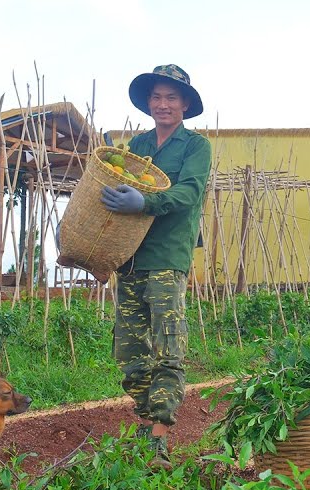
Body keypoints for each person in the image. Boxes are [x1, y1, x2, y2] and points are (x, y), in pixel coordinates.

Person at [99, 64, 213, 468]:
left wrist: (146, 202)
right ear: (149, 103)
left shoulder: (195, 147)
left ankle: (159, 440)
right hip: (130, 257)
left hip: (167, 257)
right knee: (131, 355)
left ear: (184, 104)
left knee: (167, 348)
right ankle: (150, 428)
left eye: (171, 98)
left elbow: (189, 193)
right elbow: (116, 183)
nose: (163, 104)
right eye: (156, 98)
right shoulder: (138, 144)